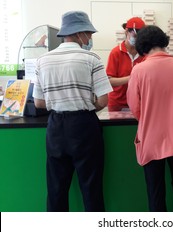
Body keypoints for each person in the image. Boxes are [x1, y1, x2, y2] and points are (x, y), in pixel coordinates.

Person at [33, 11, 113, 212]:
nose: (90, 39)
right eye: (90, 34)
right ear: (80, 34)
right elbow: (104, 99)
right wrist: (85, 105)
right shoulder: (91, 58)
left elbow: (39, 103)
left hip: (56, 128)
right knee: (91, 188)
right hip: (84, 126)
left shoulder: (42, 60)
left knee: (56, 190)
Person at [127, 25, 173, 212]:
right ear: (163, 42)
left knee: (155, 190)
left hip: (151, 138)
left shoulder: (139, 70)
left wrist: (151, 116)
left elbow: (135, 107)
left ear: (142, 46)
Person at [106, 17, 146, 111]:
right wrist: (131, 78)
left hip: (139, 102)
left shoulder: (144, 53)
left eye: (140, 37)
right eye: (135, 36)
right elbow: (109, 81)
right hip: (117, 103)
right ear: (126, 31)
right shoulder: (116, 53)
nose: (137, 40)